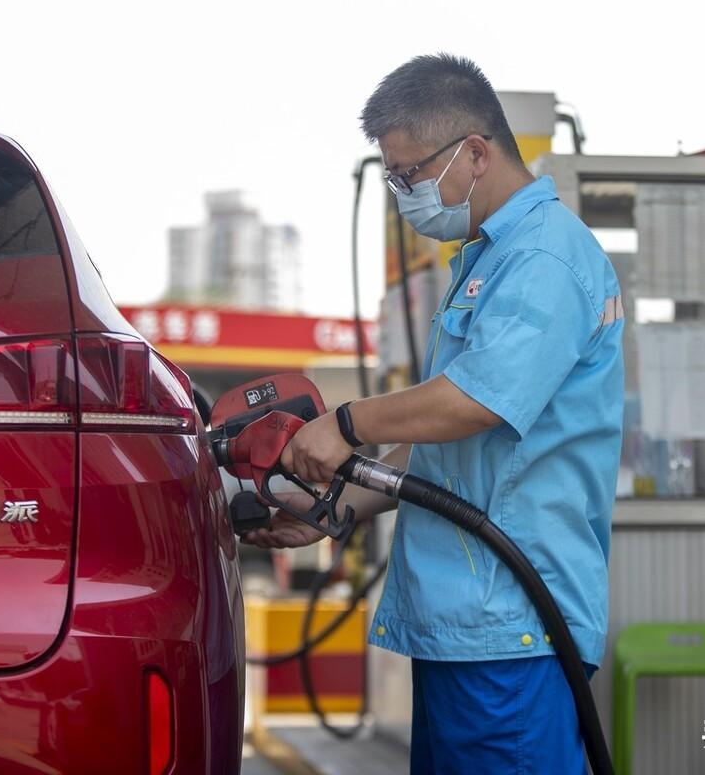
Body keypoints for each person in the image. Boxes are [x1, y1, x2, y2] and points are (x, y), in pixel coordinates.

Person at [244, 53, 624, 774]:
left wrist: (346, 424)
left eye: (409, 173)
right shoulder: (483, 262)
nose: (402, 193)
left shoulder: (546, 257)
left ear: (474, 153)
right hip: (466, 625)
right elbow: (438, 445)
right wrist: (335, 509)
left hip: (516, 624)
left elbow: (475, 403)